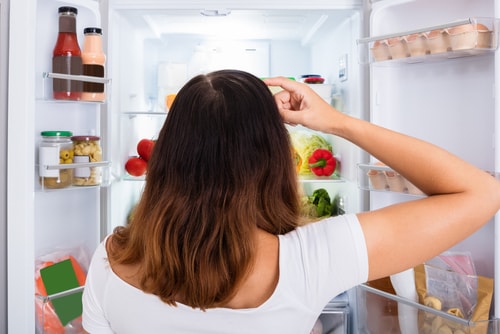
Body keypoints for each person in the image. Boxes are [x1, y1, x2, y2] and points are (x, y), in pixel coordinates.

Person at [82, 69, 500, 333]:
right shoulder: (312, 257)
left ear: (169, 153)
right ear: (272, 158)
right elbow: (481, 192)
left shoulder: (109, 260)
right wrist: (335, 121)